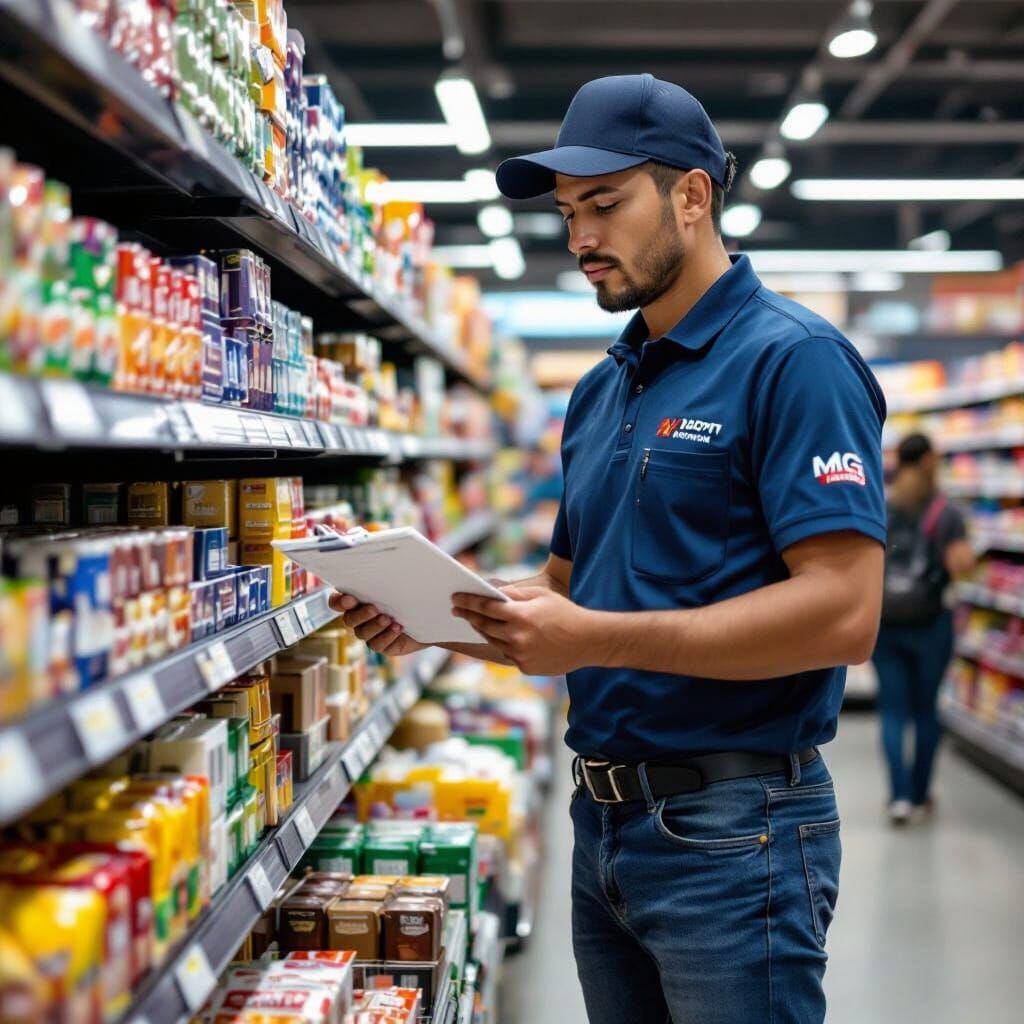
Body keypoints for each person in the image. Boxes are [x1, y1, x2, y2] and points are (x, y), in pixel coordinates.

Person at [330, 74, 886, 1024]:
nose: (581, 237)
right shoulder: (602, 390)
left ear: (692, 195)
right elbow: (562, 593)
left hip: (735, 831)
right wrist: (432, 615)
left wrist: (595, 639)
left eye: (605, 203)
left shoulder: (795, 361)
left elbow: (844, 613)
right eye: (567, 212)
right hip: (602, 828)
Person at [875, 432, 974, 826]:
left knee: (892, 712)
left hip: (886, 622)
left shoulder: (882, 505)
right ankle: (920, 795)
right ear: (930, 461)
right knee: (925, 712)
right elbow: (960, 565)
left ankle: (898, 797)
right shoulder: (945, 511)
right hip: (931, 623)